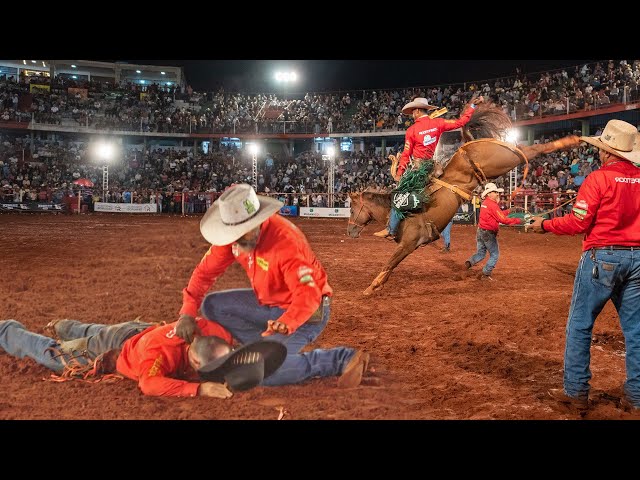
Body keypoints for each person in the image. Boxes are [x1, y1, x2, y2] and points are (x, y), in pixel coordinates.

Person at [175, 183, 370, 388]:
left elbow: (308, 294)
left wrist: (287, 322)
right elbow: (204, 273)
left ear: (258, 220)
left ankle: (341, 359)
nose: (240, 240)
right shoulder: (233, 239)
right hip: (269, 305)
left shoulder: (285, 242)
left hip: (305, 312)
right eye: (235, 234)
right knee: (212, 305)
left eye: (246, 231)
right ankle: (263, 351)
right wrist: (187, 312)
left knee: (266, 375)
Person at [528, 119, 640, 412]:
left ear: (605, 151)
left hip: (602, 256)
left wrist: (545, 224)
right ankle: (637, 398)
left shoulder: (599, 178)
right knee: (636, 331)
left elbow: (578, 222)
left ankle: (576, 392)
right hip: (637, 257)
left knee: (580, 325)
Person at [0, 317, 235, 398]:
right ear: (194, 361)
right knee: (59, 354)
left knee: (100, 334)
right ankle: (7, 331)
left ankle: (66, 325)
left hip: (135, 331)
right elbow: (149, 384)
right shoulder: (159, 355)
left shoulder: (212, 330)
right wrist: (199, 390)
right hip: (121, 346)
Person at [374, 95, 484, 239]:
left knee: (399, 195)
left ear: (418, 111)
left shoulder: (412, 130)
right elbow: (460, 122)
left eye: (413, 111)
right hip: (432, 166)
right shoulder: (438, 123)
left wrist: (400, 172)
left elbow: (406, 154)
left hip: (418, 169)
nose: (412, 114)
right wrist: (472, 107)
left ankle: (391, 229)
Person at [464, 183, 523, 280]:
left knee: (481, 253)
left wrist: (509, 211)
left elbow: (497, 214)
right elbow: (502, 219)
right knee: (495, 254)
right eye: (495, 192)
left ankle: (468, 263)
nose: (497, 194)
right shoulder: (492, 205)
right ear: (489, 193)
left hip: (481, 231)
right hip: (488, 233)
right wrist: (519, 221)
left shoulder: (486, 203)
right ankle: (485, 273)